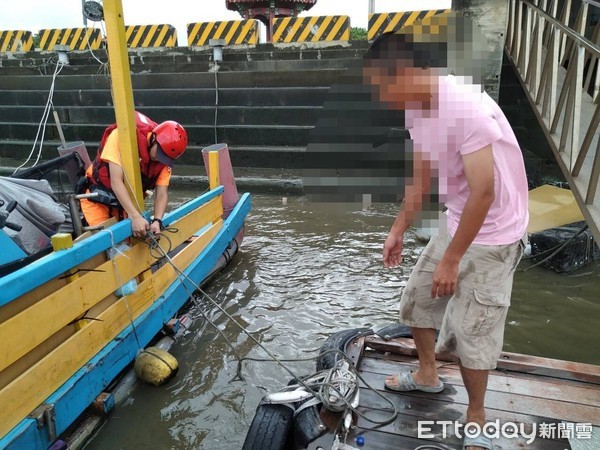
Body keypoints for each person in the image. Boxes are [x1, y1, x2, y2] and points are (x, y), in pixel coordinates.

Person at [363, 29, 529, 450]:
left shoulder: (465, 108)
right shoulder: (415, 108)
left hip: (495, 234)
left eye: (384, 88)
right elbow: (422, 175)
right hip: (457, 219)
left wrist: (452, 259)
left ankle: (476, 416)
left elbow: (485, 192)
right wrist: (398, 229)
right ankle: (427, 376)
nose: (382, 100)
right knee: (418, 300)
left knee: (475, 332)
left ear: (405, 73)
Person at [80, 111, 188, 238]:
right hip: (97, 199)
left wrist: (157, 221)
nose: (160, 159)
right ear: (154, 139)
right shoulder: (121, 136)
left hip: (124, 205)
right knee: (105, 242)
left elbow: (162, 193)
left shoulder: (164, 160)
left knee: (127, 242)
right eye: (160, 154)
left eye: (165, 158)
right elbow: (116, 181)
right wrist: (135, 217)